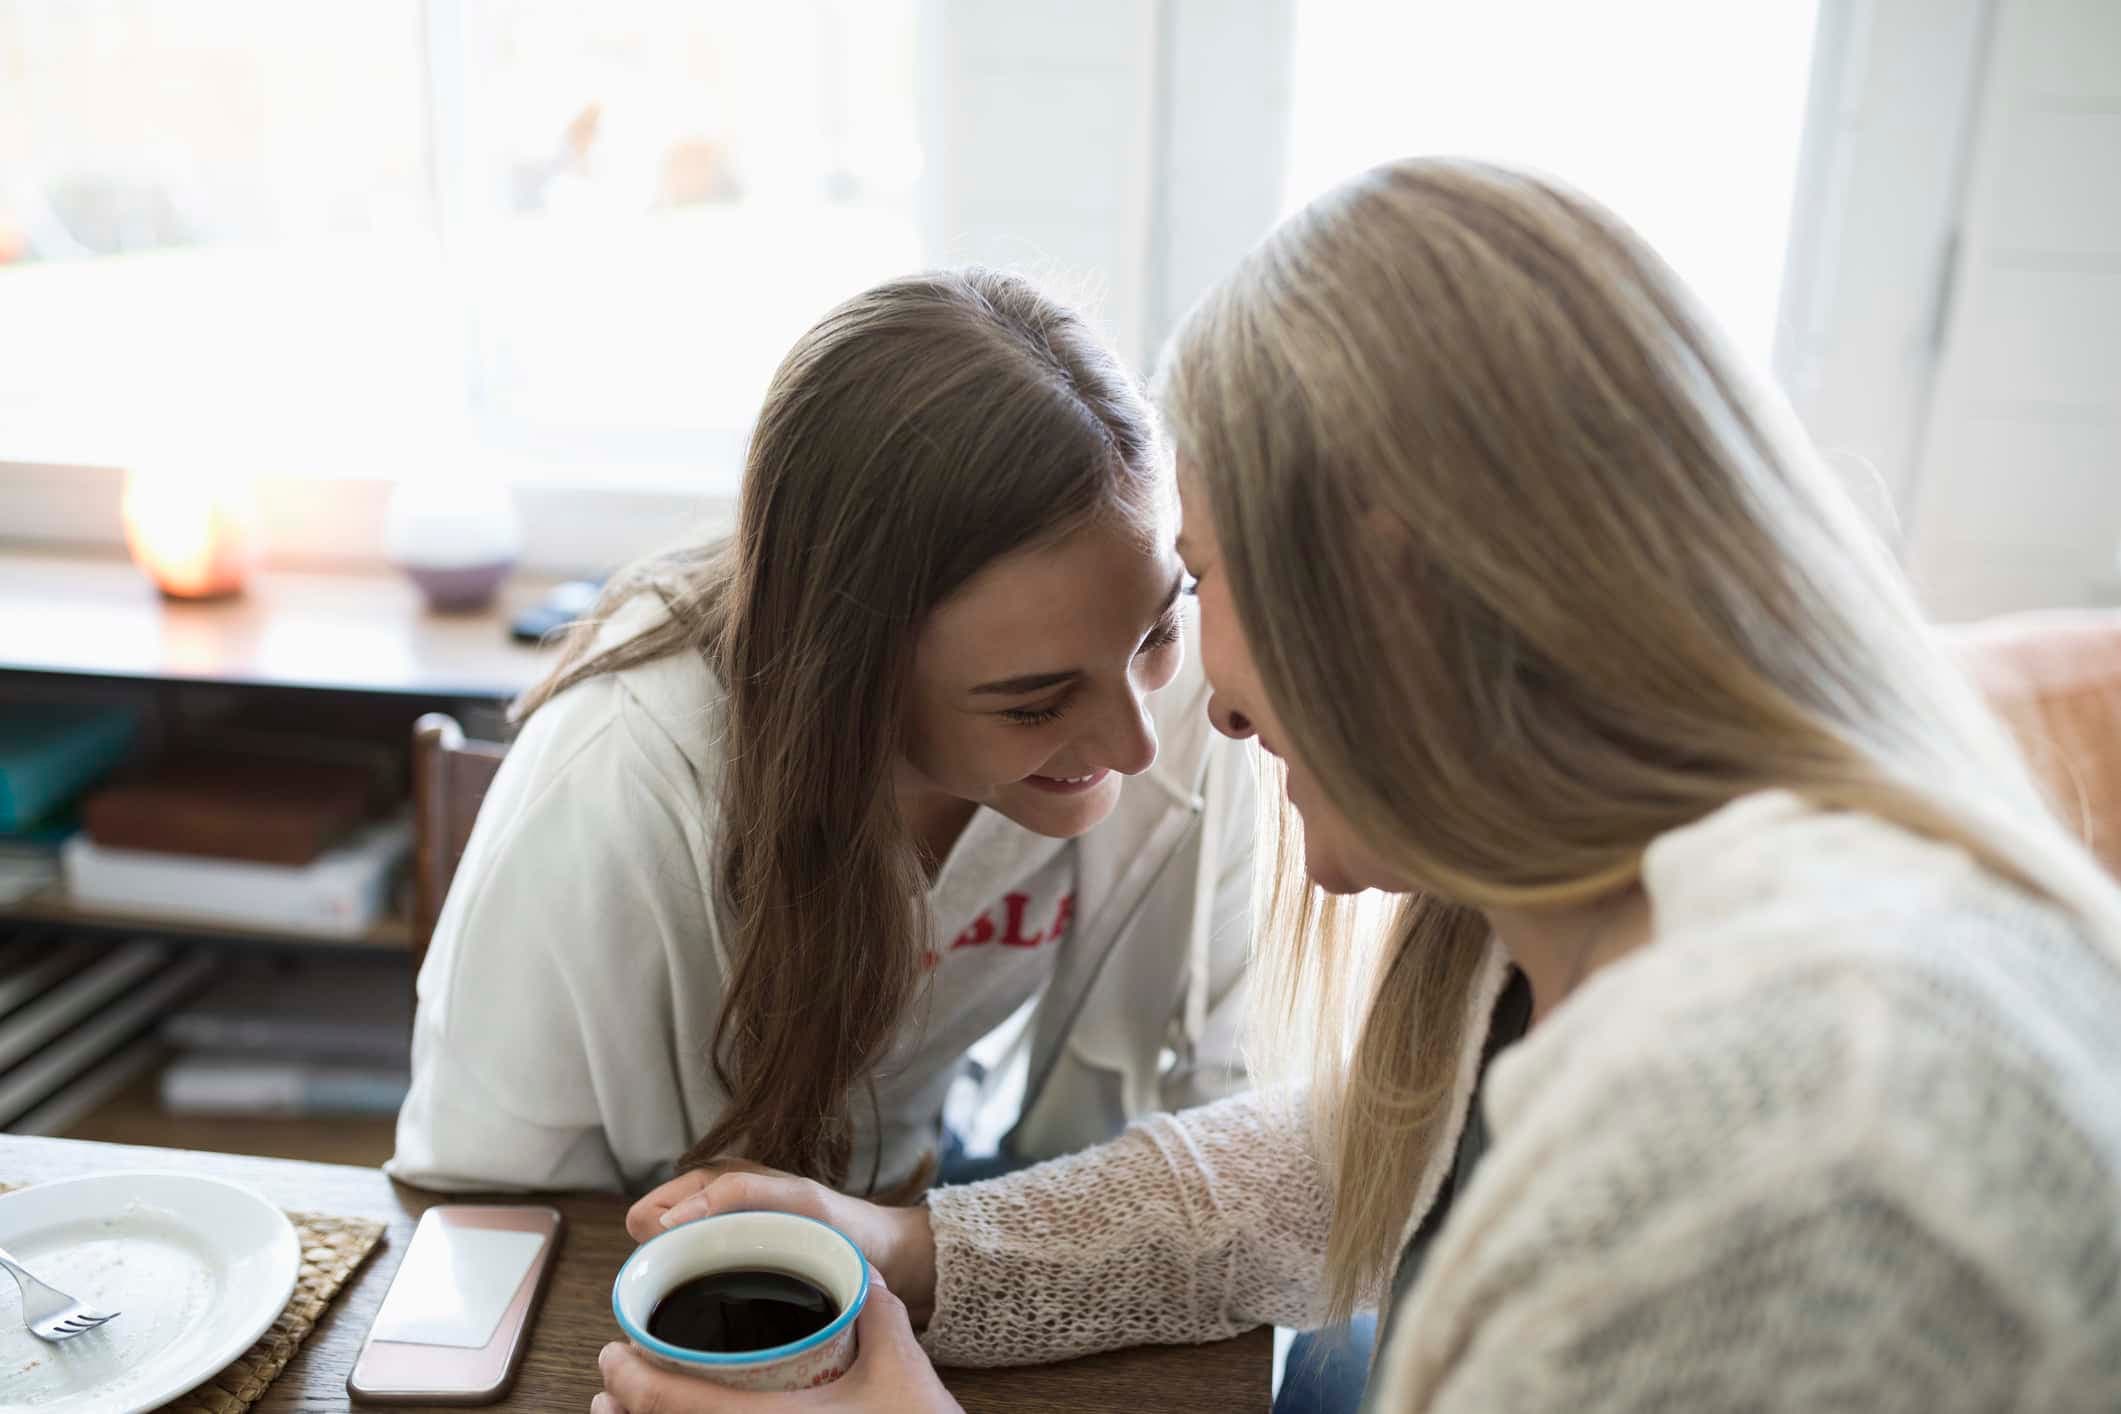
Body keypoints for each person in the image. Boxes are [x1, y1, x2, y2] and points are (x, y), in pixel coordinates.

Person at [598, 159, 2121, 1412]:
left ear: (1396, 598)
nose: (1206, 713)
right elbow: (1358, 1159)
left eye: (1198, 586)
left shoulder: (1775, 1154)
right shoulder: (1642, 900)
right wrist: (916, 1245)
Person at [389, 269, 1257, 1203]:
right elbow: (480, 1213)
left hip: (939, 1199)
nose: (1136, 746)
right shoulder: (610, 786)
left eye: (1158, 634)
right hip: (651, 1255)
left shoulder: (1184, 682)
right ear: (848, 672)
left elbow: (1237, 1095)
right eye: (1033, 704)